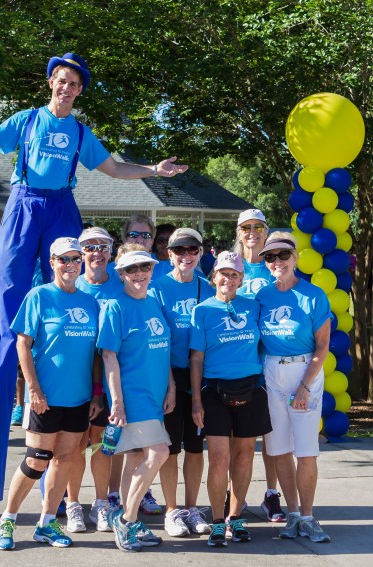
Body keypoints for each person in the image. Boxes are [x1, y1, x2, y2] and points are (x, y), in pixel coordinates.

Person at [0, 53, 188, 525]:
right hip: (24, 205)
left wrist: (154, 169)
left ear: (79, 91)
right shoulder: (27, 120)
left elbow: (112, 169)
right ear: (51, 83)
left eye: (73, 84)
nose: (65, 88)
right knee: (7, 324)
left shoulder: (80, 134)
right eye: (60, 81)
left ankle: (80, 497)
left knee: (76, 295)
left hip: (61, 207)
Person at [0, 237, 102, 551]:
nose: (70, 265)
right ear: (52, 263)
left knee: (65, 460)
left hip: (79, 399)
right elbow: (22, 345)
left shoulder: (89, 302)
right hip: (44, 399)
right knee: (36, 460)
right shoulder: (39, 296)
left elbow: (96, 354)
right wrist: (34, 391)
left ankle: (46, 523)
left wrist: (96, 394)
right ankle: (9, 519)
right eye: (63, 260)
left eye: (74, 259)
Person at [255, 232, 332, 543]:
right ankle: (293, 514)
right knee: (280, 450)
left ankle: (310, 516)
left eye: (283, 255)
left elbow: (323, 345)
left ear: (296, 258)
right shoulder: (262, 296)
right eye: (270, 257)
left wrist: (304, 386)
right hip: (272, 371)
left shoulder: (314, 295)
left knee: (306, 450)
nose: (277, 262)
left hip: (305, 372)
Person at [190, 251, 270, 547]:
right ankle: (215, 521)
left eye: (235, 274)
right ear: (214, 277)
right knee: (219, 458)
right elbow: (196, 359)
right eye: (223, 273)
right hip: (214, 390)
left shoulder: (253, 306)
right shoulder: (202, 310)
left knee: (245, 455)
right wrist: (197, 400)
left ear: (241, 279)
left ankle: (235, 518)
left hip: (251, 387)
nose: (229, 279)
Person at [98, 246, 175, 552]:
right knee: (159, 453)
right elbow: (108, 356)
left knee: (134, 459)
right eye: (131, 270)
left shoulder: (154, 302)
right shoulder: (115, 306)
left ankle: (131, 522)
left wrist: (170, 387)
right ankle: (126, 520)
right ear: (121, 275)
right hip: (132, 396)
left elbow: (164, 349)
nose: (139, 274)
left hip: (156, 395)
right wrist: (116, 401)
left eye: (144, 267)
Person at [148, 228, 214, 537]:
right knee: (171, 448)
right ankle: (172, 510)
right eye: (179, 250)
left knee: (196, 447)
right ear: (169, 254)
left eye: (192, 250)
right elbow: (155, 341)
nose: (185, 255)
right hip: (168, 375)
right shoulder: (157, 289)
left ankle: (191, 508)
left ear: (200, 253)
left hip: (200, 377)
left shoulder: (208, 288)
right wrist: (169, 384)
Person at [232, 208, 282, 521]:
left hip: (271, 364)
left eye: (258, 226)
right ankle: (233, 497)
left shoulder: (273, 266)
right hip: (238, 365)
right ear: (239, 232)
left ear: (265, 231)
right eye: (247, 227)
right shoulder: (231, 266)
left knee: (271, 436)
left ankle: (272, 494)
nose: (252, 232)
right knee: (238, 439)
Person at [74, 226, 125, 531]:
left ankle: (102, 501)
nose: (96, 253)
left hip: (112, 382)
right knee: (74, 447)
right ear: (81, 254)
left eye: (102, 247)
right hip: (76, 381)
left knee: (105, 445)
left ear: (110, 251)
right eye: (90, 248)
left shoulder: (122, 283)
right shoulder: (72, 285)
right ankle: (71, 504)